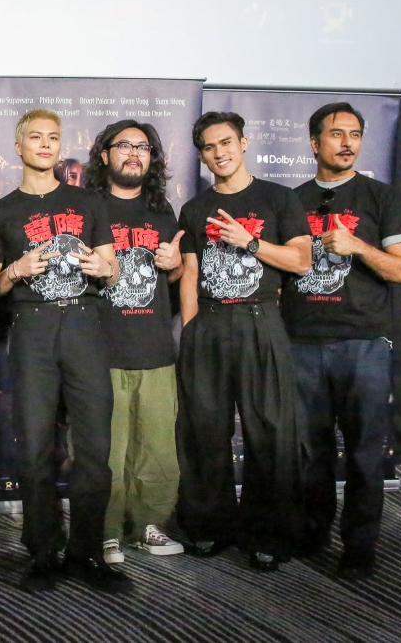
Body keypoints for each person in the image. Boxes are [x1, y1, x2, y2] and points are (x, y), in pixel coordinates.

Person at [0, 110, 124, 593]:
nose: (45, 144)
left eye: (53, 138)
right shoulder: (1, 211)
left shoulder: (88, 201)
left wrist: (106, 270)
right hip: (32, 327)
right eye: (35, 137)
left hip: (84, 323)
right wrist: (16, 270)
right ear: (19, 146)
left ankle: (88, 551)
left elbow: (113, 269)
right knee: (35, 446)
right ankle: (43, 552)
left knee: (95, 447)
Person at [281, 103, 401, 580]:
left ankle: (359, 546)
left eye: (355, 134)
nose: (347, 143)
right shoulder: (291, 201)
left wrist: (357, 245)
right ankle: (313, 533)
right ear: (314, 143)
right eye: (336, 134)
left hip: (363, 344)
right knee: (309, 452)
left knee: (364, 452)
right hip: (301, 342)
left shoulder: (382, 197)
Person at [177, 111, 312, 571]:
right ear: (202, 156)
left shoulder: (278, 197)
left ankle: (267, 533)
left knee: (270, 432)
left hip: (261, 319)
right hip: (210, 323)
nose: (220, 152)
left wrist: (249, 242)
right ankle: (208, 526)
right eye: (210, 147)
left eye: (227, 142)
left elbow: (301, 261)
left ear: (244, 143)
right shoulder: (195, 209)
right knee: (204, 429)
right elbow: (191, 274)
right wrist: (192, 330)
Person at [86, 120, 185, 564]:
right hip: (101, 349)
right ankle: (105, 531)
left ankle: (150, 524)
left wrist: (175, 263)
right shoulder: (88, 207)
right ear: (105, 154)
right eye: (124, 145)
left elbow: (175, 278)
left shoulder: (162, 211)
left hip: (155, 348)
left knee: (157, 446)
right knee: (105, 449)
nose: (133, 153)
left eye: (142, 147)